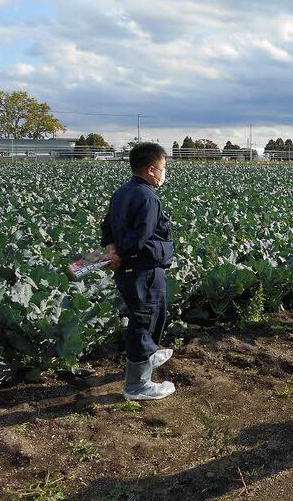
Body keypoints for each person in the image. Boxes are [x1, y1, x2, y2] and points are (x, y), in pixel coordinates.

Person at [100, 142, 176, 400]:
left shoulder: (123, 192)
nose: (165, 173)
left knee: (148, 316)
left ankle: (149, 355)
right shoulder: (148, 197)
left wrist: (112, 251)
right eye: (163, 168)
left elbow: (106, 226)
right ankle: (138, 385)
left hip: (130, 269)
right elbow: (141, 237)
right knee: (144, 319)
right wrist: (121, 256)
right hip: (143, 269)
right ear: (151, 169)